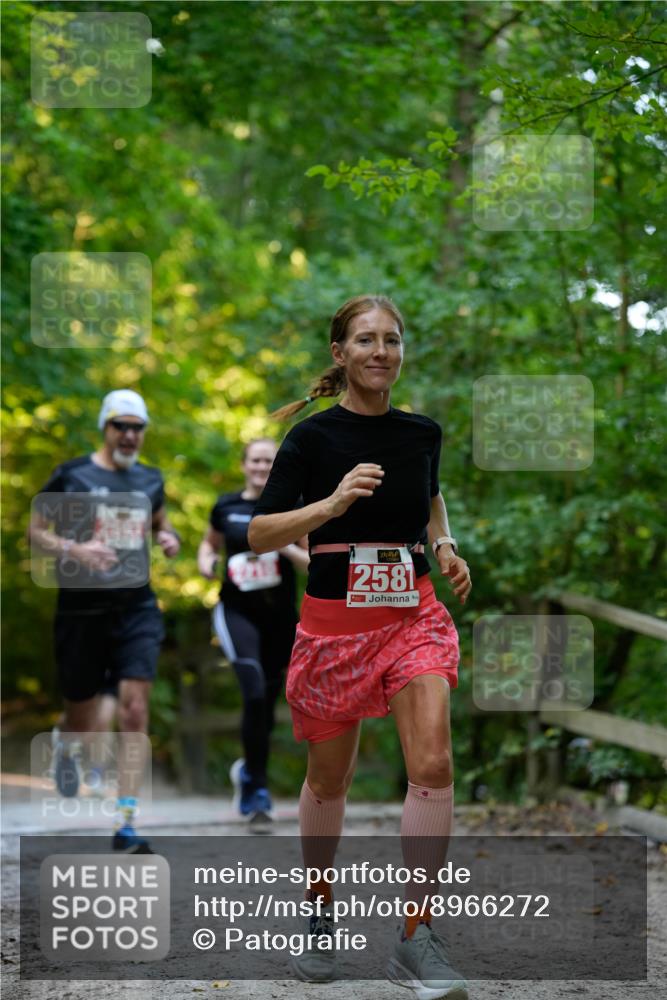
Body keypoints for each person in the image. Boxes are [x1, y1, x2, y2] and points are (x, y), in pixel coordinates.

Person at [249, 296, 472, 999]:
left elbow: (430, 498)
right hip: (333, 630)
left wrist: (444, 545)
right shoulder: (311, 441)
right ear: (340, 353)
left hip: (413, 615)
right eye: (366, 340)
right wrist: (332, 504)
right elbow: (259, 534)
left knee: (432, 762)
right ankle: (319, 914)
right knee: (328, 782)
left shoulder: (422, 432)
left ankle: (416, 935)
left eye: (392, 340)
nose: (381, 352)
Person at [29, 389, 180, 852]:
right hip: (80, 610)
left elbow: (160, 523)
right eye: (121, 426)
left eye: (138, 428)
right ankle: (67, 743)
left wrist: (168, 537)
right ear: (105, 427)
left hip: (136, 608)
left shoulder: (150, 479)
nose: (130, 435)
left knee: (134, 709)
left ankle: (126, 821)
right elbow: (35, 532)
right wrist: (74, 549)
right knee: (84, 716)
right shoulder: (72, 475)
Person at [198, 438, 308, 825]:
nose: (262, 467)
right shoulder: (225, 506)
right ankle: (257, 788)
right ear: (244, 465)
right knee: (253, 687)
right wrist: (206, 562)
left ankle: (248, 770)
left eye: (268, 461)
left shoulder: (293, 506)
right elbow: (209, 544)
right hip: (236, 612)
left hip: (280, 619)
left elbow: (311, 562)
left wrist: (281, 543)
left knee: (266, 700)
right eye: (256, 461)